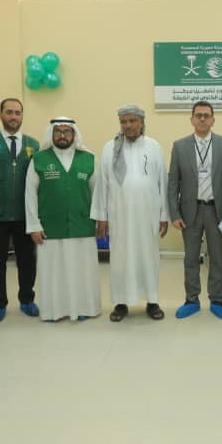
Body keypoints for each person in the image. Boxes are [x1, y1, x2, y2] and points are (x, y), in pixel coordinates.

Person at [91, 105, 169, 321]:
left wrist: (164, 216)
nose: (128, 125)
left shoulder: (154, 146)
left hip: (148, 215)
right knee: (120, 259)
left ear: (141, 123)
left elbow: (163, 182)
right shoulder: (110, 148)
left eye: (132, 121)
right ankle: (120, 303)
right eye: (124, 122)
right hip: (120, 215)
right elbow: (102, 184)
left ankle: (152, 301)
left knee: (148, 258)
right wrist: (102, 217)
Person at [25, 117, 101, 321]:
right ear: (51, 134)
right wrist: (33, 225)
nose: (62, 135)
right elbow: (30, 194)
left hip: (82, 224)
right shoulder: (39, 159)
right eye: (57, 131)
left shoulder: (89, 158)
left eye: (67, 131)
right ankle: (54, 311)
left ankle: (84, 309)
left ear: (74, 134)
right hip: (50, 226)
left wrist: (99, 220)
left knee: (82, 271)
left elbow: (97, 194)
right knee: (53, 271)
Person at [168, 101, 222, 320]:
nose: (203, 119)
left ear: (213, 119)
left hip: (218, 211)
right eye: (198, 115)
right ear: (192, 119)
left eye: (207, 115)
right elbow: (173, 183)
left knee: (217, 258)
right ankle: (191, 299)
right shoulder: (180, 146)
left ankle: (217, 300)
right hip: (190, 212)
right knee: (190, 258)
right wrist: (174, 214)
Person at [0, 98, 41, 322]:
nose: (14, 116)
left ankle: (27, 299)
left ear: (22, 116)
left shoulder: (33, 144)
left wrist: (37, 213)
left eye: (18, 113)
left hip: (24, 215)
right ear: (1, 114)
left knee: (27, 260)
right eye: (9, 112)